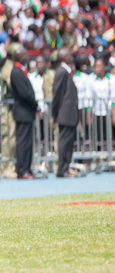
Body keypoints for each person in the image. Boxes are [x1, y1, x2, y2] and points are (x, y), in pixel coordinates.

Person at [7, 45, 39, 180]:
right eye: (24, 54)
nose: (27, 56)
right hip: (22, 112)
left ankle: (27, 168)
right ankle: (22, 170)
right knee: (23, 142)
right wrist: (36, 105)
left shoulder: (21, 70)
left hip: (27, 112)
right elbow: (25, 94)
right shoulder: (16, 72)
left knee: (28, 143)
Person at [51, 48, 79, 178]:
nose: (70, 56)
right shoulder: (61, 72)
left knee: (68, 143)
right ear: (62, 57)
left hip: (69, 114)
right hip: (65, 114)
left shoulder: (66, 71)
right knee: (64, 143)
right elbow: (57, 94)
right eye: (68, 55)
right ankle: (62, 169)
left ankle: (65, 167)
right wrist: (54, 113)